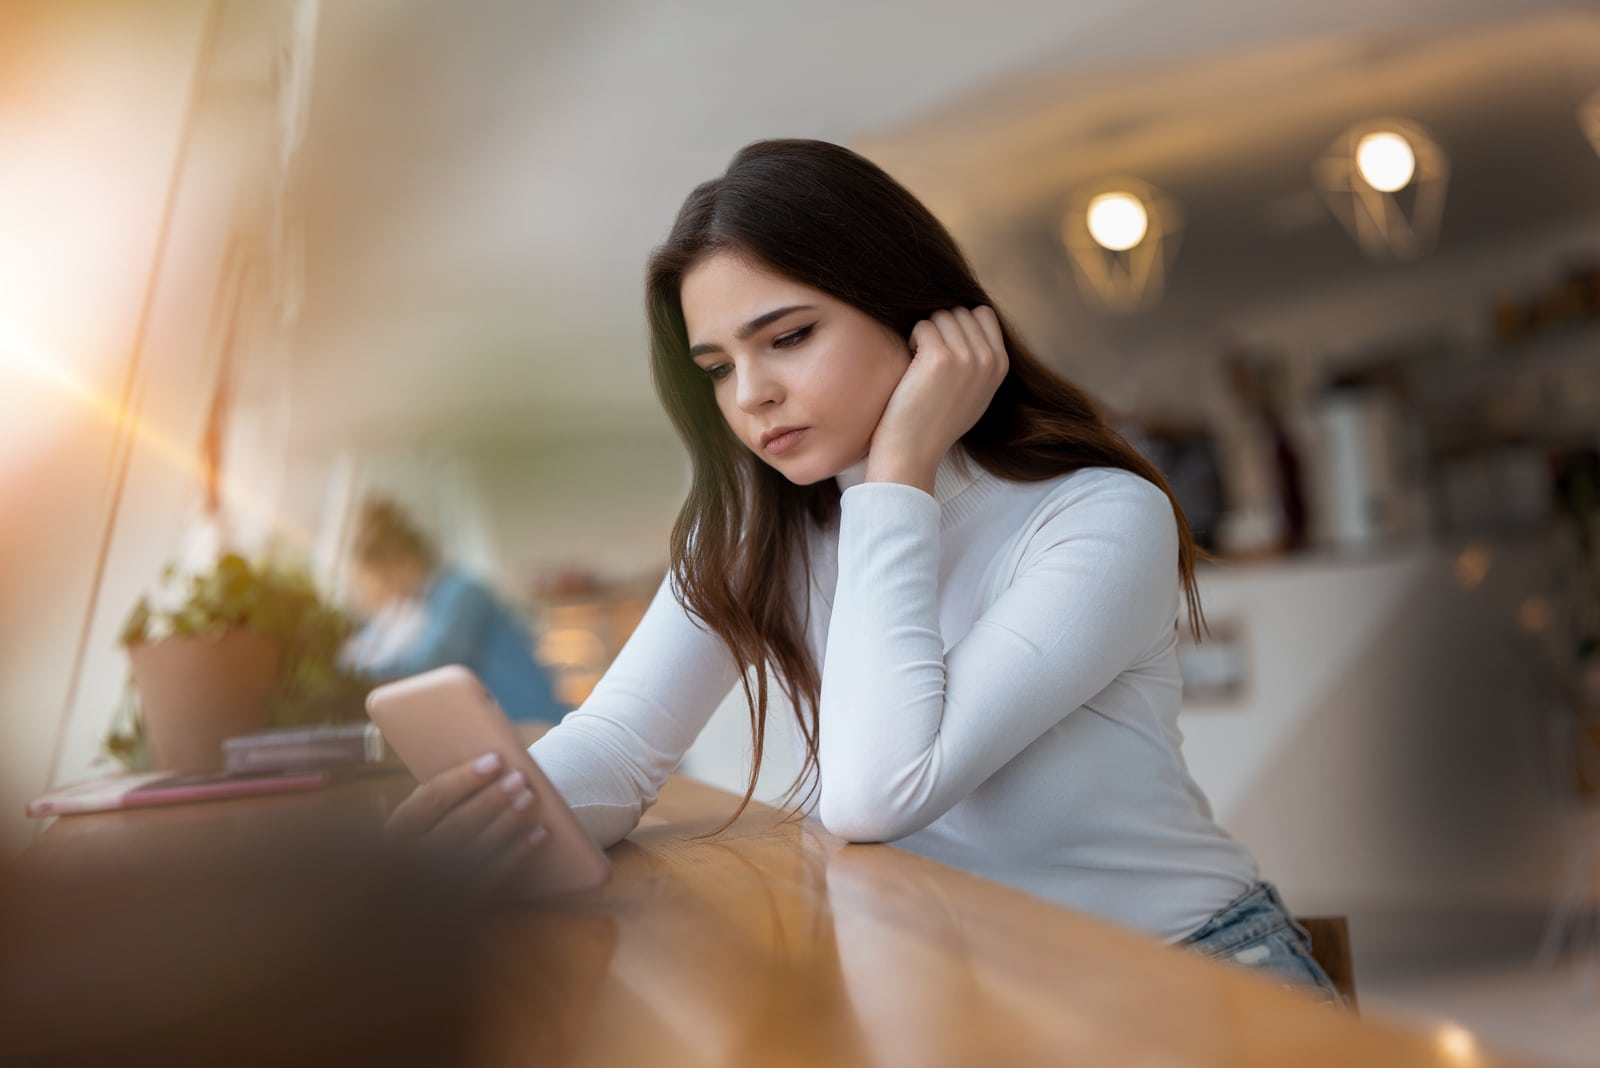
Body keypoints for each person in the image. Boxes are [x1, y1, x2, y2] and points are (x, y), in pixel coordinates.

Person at [385, 140, 1346, 1006]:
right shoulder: (750, 535)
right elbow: (620, 746)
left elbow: (877, 792)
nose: (752, 394)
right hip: (986, 990)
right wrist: (493, 822)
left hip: (1190, 973)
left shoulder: (1096, 515)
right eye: (717, 365)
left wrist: (899, 471)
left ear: (918, 318)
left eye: (789, 337)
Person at [343, 497, 566, 724]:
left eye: (377, 577)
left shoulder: (460, 593)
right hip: (502, 725)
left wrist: (350, 680)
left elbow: (430, 664)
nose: (377, 589)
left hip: (531, 723)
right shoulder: (425, 603)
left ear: (401, 561)